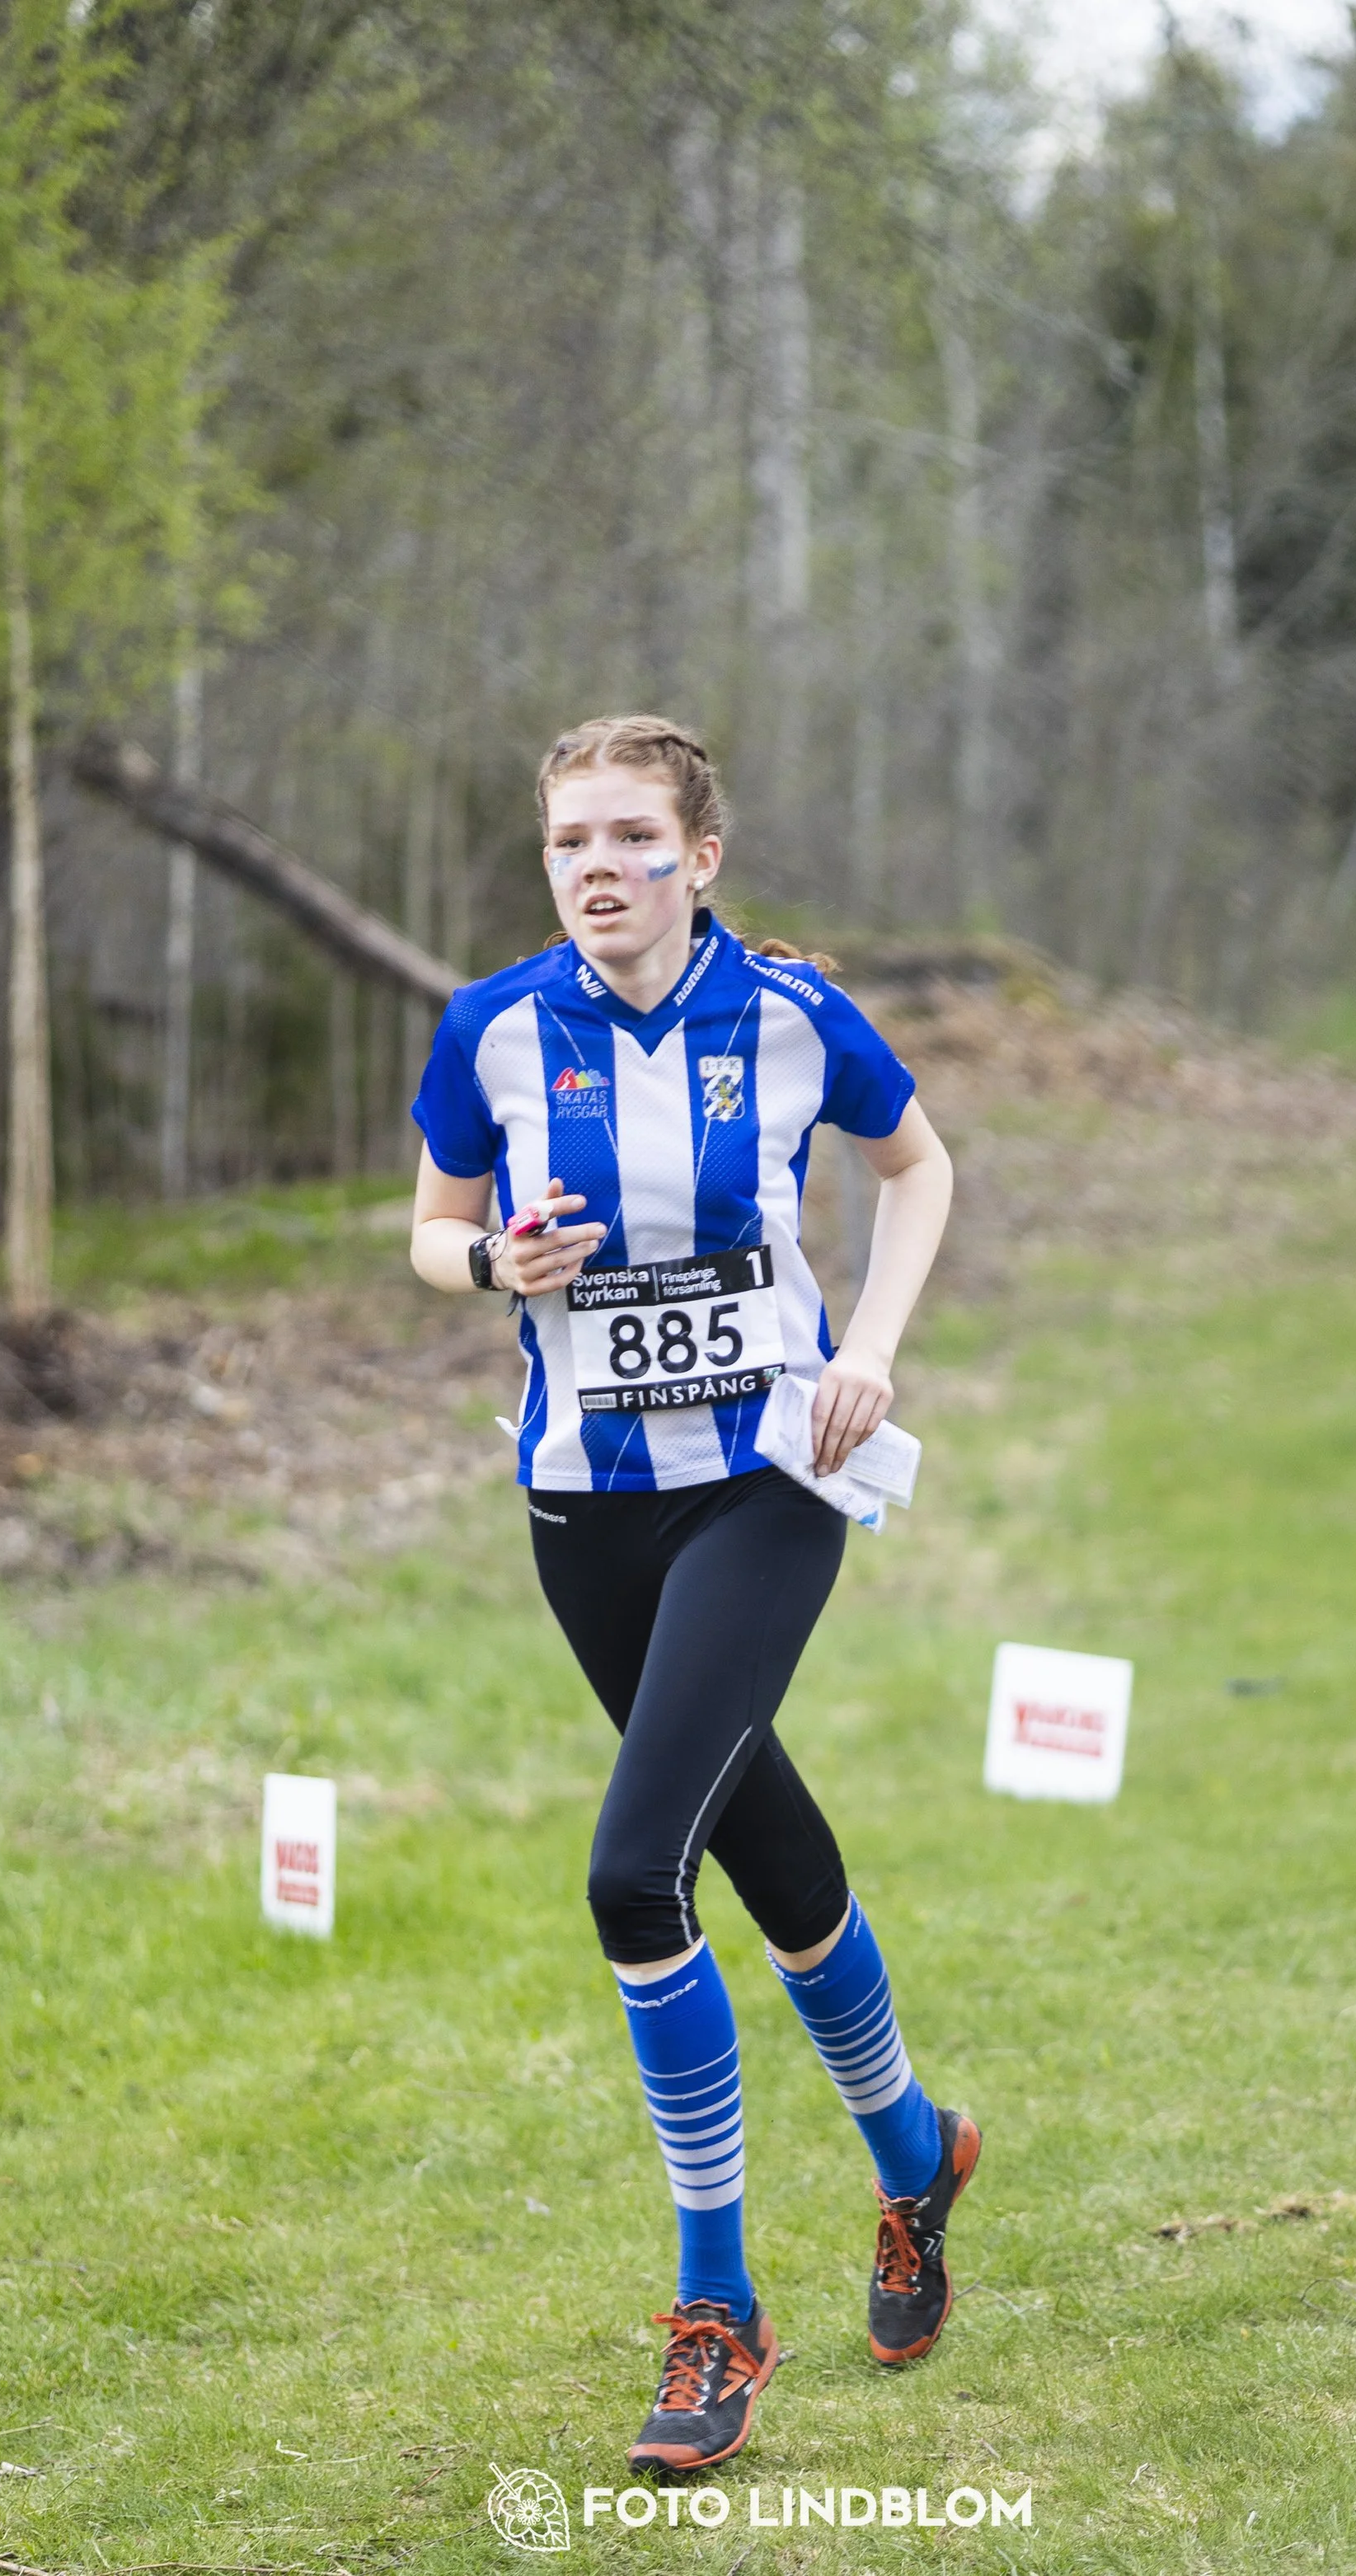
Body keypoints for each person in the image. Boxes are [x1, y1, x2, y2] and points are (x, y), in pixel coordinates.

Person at [408, 714, 974, 2474]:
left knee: (630, 1866)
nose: (597, 864)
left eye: (632, 835)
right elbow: (423, 1225)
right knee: (762, 1847)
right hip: (583, 1504)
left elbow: (919, 1165)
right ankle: (911, 2154)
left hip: (764, 1480)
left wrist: (866, 1348)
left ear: (698, 857)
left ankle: (717, 2310)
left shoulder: (793, 1016)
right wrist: (490, 1257)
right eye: (570, 836)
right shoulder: (489, 1027)